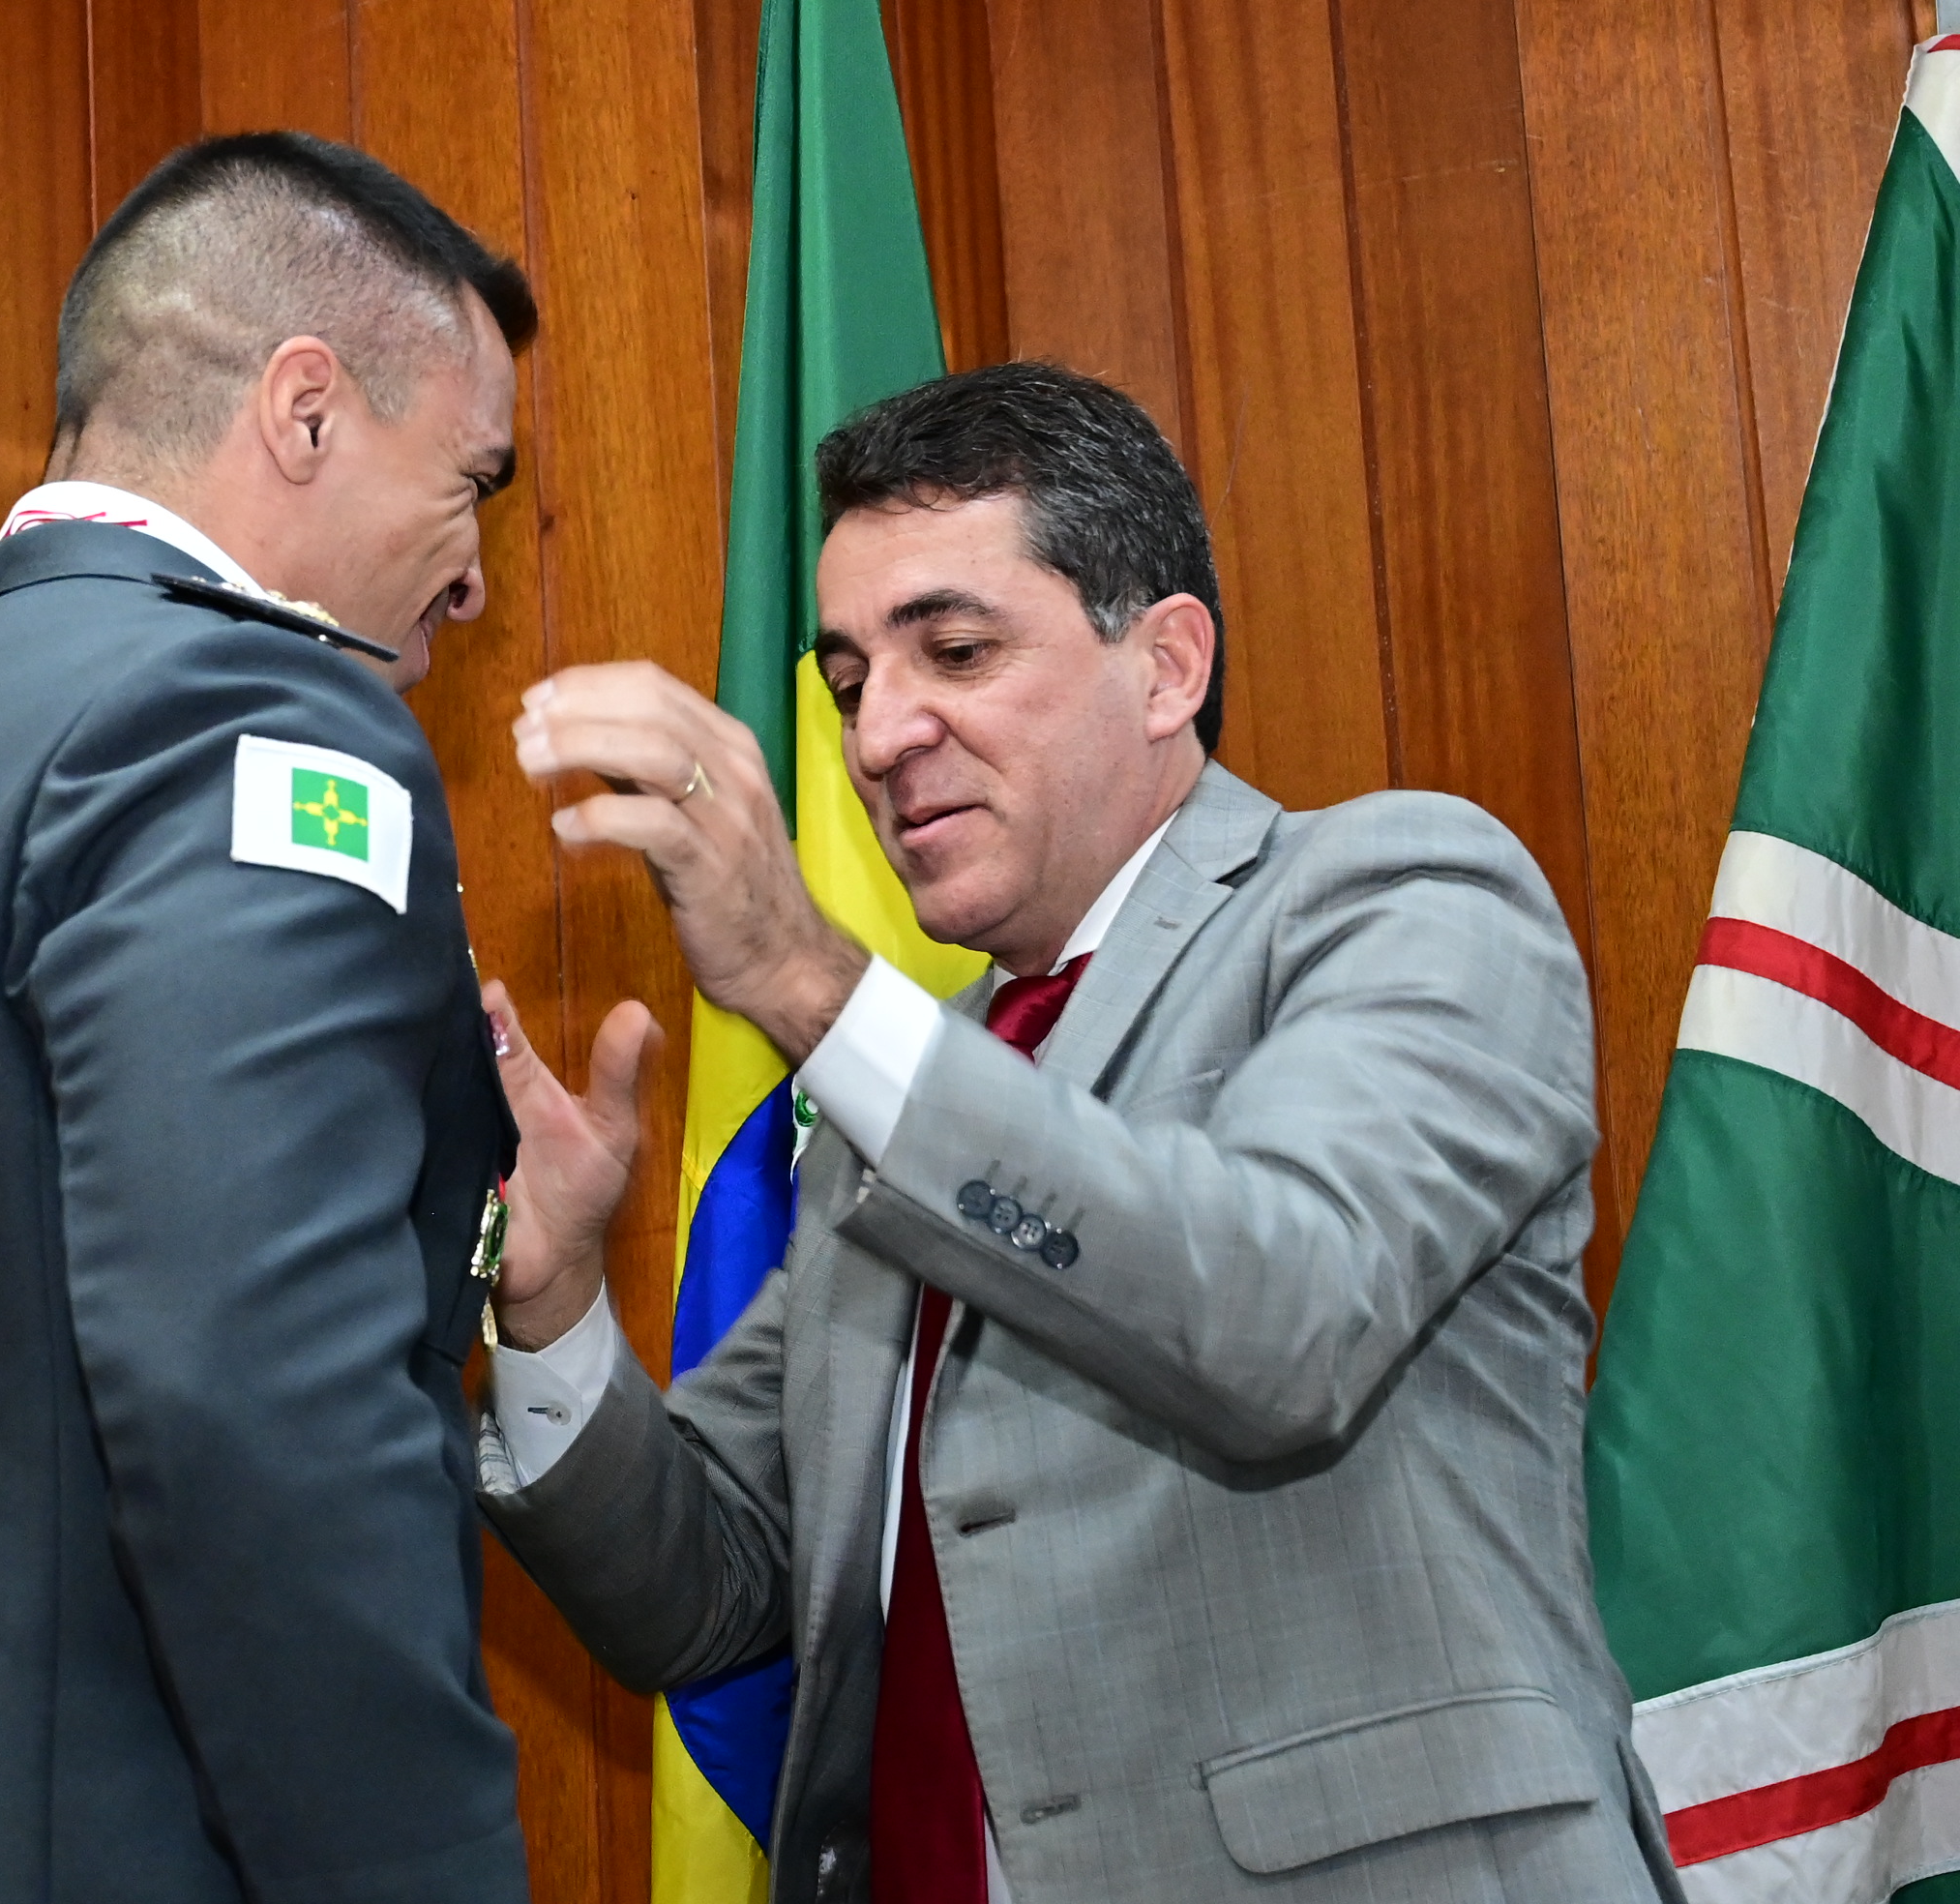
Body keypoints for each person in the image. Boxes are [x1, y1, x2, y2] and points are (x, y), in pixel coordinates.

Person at [475, 362, 1687, 1903]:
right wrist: (554, 1302)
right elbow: (707, 1590)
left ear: (1167, 666)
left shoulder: (1408, 898)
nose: (878, 738)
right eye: (847, 685)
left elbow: (1283, 1317)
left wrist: (802, 977)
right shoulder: (897, 1090)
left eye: (956, 652)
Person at [0, 132, 551, 1904]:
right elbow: (258, 1403)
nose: (470, 579)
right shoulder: (252, 727)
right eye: (471, 484)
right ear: (306, 411)